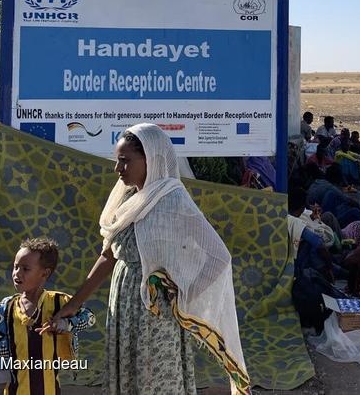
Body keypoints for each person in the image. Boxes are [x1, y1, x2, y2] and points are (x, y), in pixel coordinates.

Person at [50, 123, 249, 395]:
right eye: (117, 161)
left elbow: (218, 258)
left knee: (156, 378)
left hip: (156, 313)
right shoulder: (127, 200)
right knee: (129, 374)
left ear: (150, 159)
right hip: (122, 304)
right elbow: (108, 256)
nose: (118, 169)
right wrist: (74, 303)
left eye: (124, 161)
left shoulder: (172, 200)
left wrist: (183, 294)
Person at [0, 237, 96, 394]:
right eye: (15, 267)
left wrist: (66, 325)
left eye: (25, 269)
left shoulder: (59, 303)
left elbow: (89, 318)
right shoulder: (8, 307)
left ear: (44, 273)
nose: (16, 273)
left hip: (48, 389)